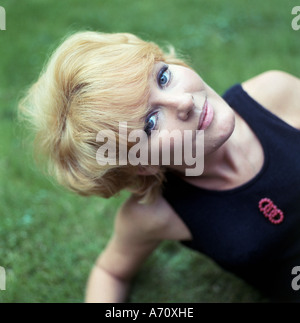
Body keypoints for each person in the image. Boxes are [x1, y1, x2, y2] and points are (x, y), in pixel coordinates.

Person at [19, 31, 300, 303]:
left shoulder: (276, 96)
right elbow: (110, 272)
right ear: (142, 165)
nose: (183, 101)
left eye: (162, 77)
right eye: (150, 124)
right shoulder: (157, 215)